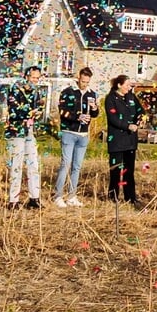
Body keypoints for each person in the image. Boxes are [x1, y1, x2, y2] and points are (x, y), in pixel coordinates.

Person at [0, 65, 47, 209]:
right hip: (17, 131)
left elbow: (38, 108)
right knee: (17, 165)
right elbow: (14, 110)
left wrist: (38, 113)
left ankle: (34, 198)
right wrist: (29, 113)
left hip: (30, 131)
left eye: (37, 78)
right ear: (26, 76)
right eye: (33, 77)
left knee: (33, 164)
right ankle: (13, 200)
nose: (35, 80)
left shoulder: (36, 92)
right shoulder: (16, 88)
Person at [54, 67, 99, 207]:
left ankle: (72, 196)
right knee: (65, 164)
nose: (84, 84)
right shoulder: (67, 92)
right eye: (83, 81)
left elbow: (95, 114)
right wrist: (76, 117)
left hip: (83, 134)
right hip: (69, 132)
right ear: (78, 78)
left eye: (87, 82)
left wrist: (94, 109)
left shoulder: (92, 94)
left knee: (77, 166)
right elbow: (62, 111)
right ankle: (58, 195)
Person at [104, 74, 143, 205]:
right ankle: (113, 196)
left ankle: (130, 197)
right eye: (127, 85)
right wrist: (127, 126)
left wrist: (139, 120)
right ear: (119, 85)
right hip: (116, 140)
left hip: (130, 141)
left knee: (129, 171)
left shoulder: (131, 97)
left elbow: (140, 110)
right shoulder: (111, 99)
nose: (129, 87)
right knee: (116, 170)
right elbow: (113, 118)